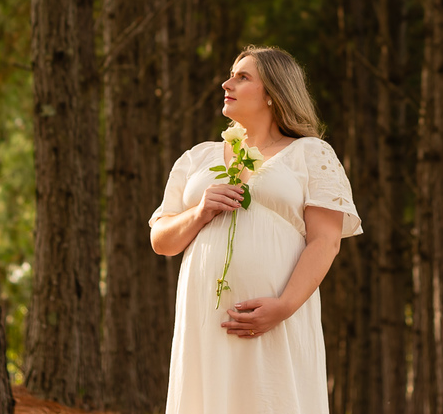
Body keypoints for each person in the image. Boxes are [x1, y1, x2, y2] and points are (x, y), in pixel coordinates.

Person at [149, 45, 363, 414]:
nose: (225, 83)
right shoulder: (197, 157)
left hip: (276, 317)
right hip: (205, 320)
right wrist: (199, 212)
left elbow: (326, 241)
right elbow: (161, 240)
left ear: (273, 93)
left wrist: (282, 306)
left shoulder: (311, 153)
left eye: (242, 76)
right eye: (232, 74)